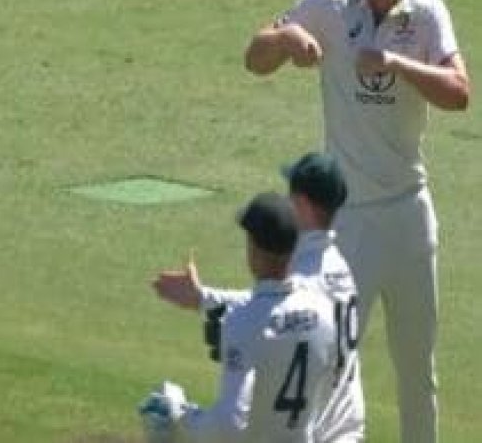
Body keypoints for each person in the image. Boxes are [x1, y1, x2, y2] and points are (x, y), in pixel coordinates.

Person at [244, 0, 470, 442]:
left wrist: (396, 62)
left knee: (418, 372)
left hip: (412, 217)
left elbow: (459, 93)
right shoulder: (325, 2)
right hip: (349, 228)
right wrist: (286, 39)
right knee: (332, 367)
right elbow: (255, 57)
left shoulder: (426, 10)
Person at [155, 153, 363, 442]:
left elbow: (268, 308)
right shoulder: (335, 263)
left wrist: (205, 299)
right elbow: (271, 301)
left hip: (324, 428)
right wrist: (203, 299)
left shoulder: (311, 271)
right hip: (340, 422)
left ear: (301, 205)